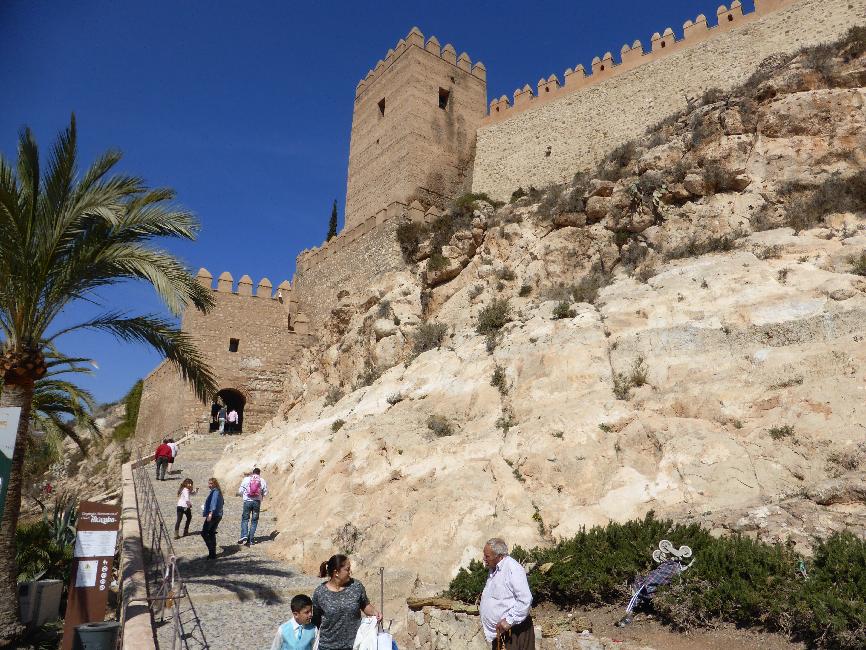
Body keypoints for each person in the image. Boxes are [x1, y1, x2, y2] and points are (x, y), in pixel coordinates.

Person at [312, 554, 380, 650]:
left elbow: (365, 605)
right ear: (336, 572)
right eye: (347, 569)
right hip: (327, 646)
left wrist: (375, 613)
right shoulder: (320, 592)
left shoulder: (356, 586)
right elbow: (315, 621)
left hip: (354, 645)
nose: (350, 572)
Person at [479, 538, 534, 650]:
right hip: (501, 632)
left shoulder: (513, 569)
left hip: (514, 631)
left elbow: (525, 599)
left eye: (487, 556)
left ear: (498, 556)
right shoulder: (494, 569)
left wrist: (509, 620)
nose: (484, 559)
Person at [237, 467, 268, 546]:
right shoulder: (262, 480)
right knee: (254, 521)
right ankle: (250, 540)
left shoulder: (246, 479)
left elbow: (240, 491)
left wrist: (243, 495)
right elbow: (265, 493)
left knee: (245, 519)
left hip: (247, 502)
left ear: (252, 473)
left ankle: (244, 535)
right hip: (257, 503)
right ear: (259, 474)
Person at [200, 477, 224, 560]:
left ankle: (211, 551)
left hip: (213, 515)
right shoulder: (218, 491)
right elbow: (222, 503)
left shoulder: (215, 492)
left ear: (215, 484)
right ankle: (212, 554)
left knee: (204, 533)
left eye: (211, 483)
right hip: (218, 515)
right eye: (209, 483)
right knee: (211, 533)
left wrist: (210, 513)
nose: (209, 485)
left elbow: (213, 503)